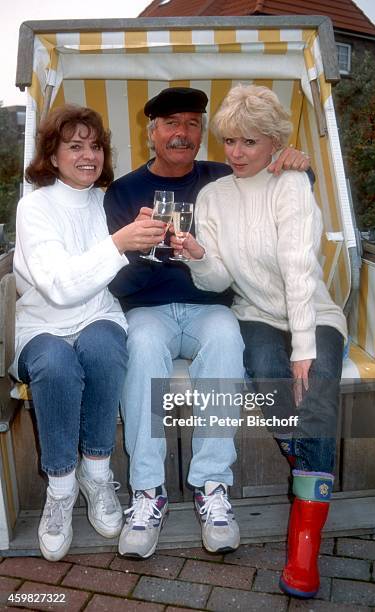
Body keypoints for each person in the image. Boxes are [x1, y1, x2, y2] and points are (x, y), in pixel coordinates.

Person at [104, 86, 311, 559]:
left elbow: (280, 181)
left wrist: (298, 161)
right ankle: (147, 491)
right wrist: (145, 248)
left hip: (210, 307)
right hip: (148, 309)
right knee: (140, 347)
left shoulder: (225, 175)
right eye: (171, 124)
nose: (183, 133)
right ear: (151, 132)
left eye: (193, 123)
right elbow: (116, 283)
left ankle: (212, 486)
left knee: (224, 335)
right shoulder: (124, 191)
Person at [174, 84, 347, 599]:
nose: (235, 153)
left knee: (312, 396)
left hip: (312, 313)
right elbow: (217, 280)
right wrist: (199, 255)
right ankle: (310, 473)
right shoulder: (212, 196)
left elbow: (298, 270)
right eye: (229, 141)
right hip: (253, 314)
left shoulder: (291, 183)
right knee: (274, 387)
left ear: (275, 142)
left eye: (249, 142)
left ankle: (303, 549)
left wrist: (304, 348)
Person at [10, 104, 166, 562]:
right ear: (52, 156)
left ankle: (96, 472)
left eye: (95, 146)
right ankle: (60, 486)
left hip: (98, 315)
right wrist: (119, 243)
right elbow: (59, 288)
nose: (88, 156)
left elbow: (127, 270)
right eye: (74, 146)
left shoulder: (107, 202)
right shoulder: (34, 206)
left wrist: (150, 236)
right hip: (42, 323)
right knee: (57, 364)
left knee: (103, 347)